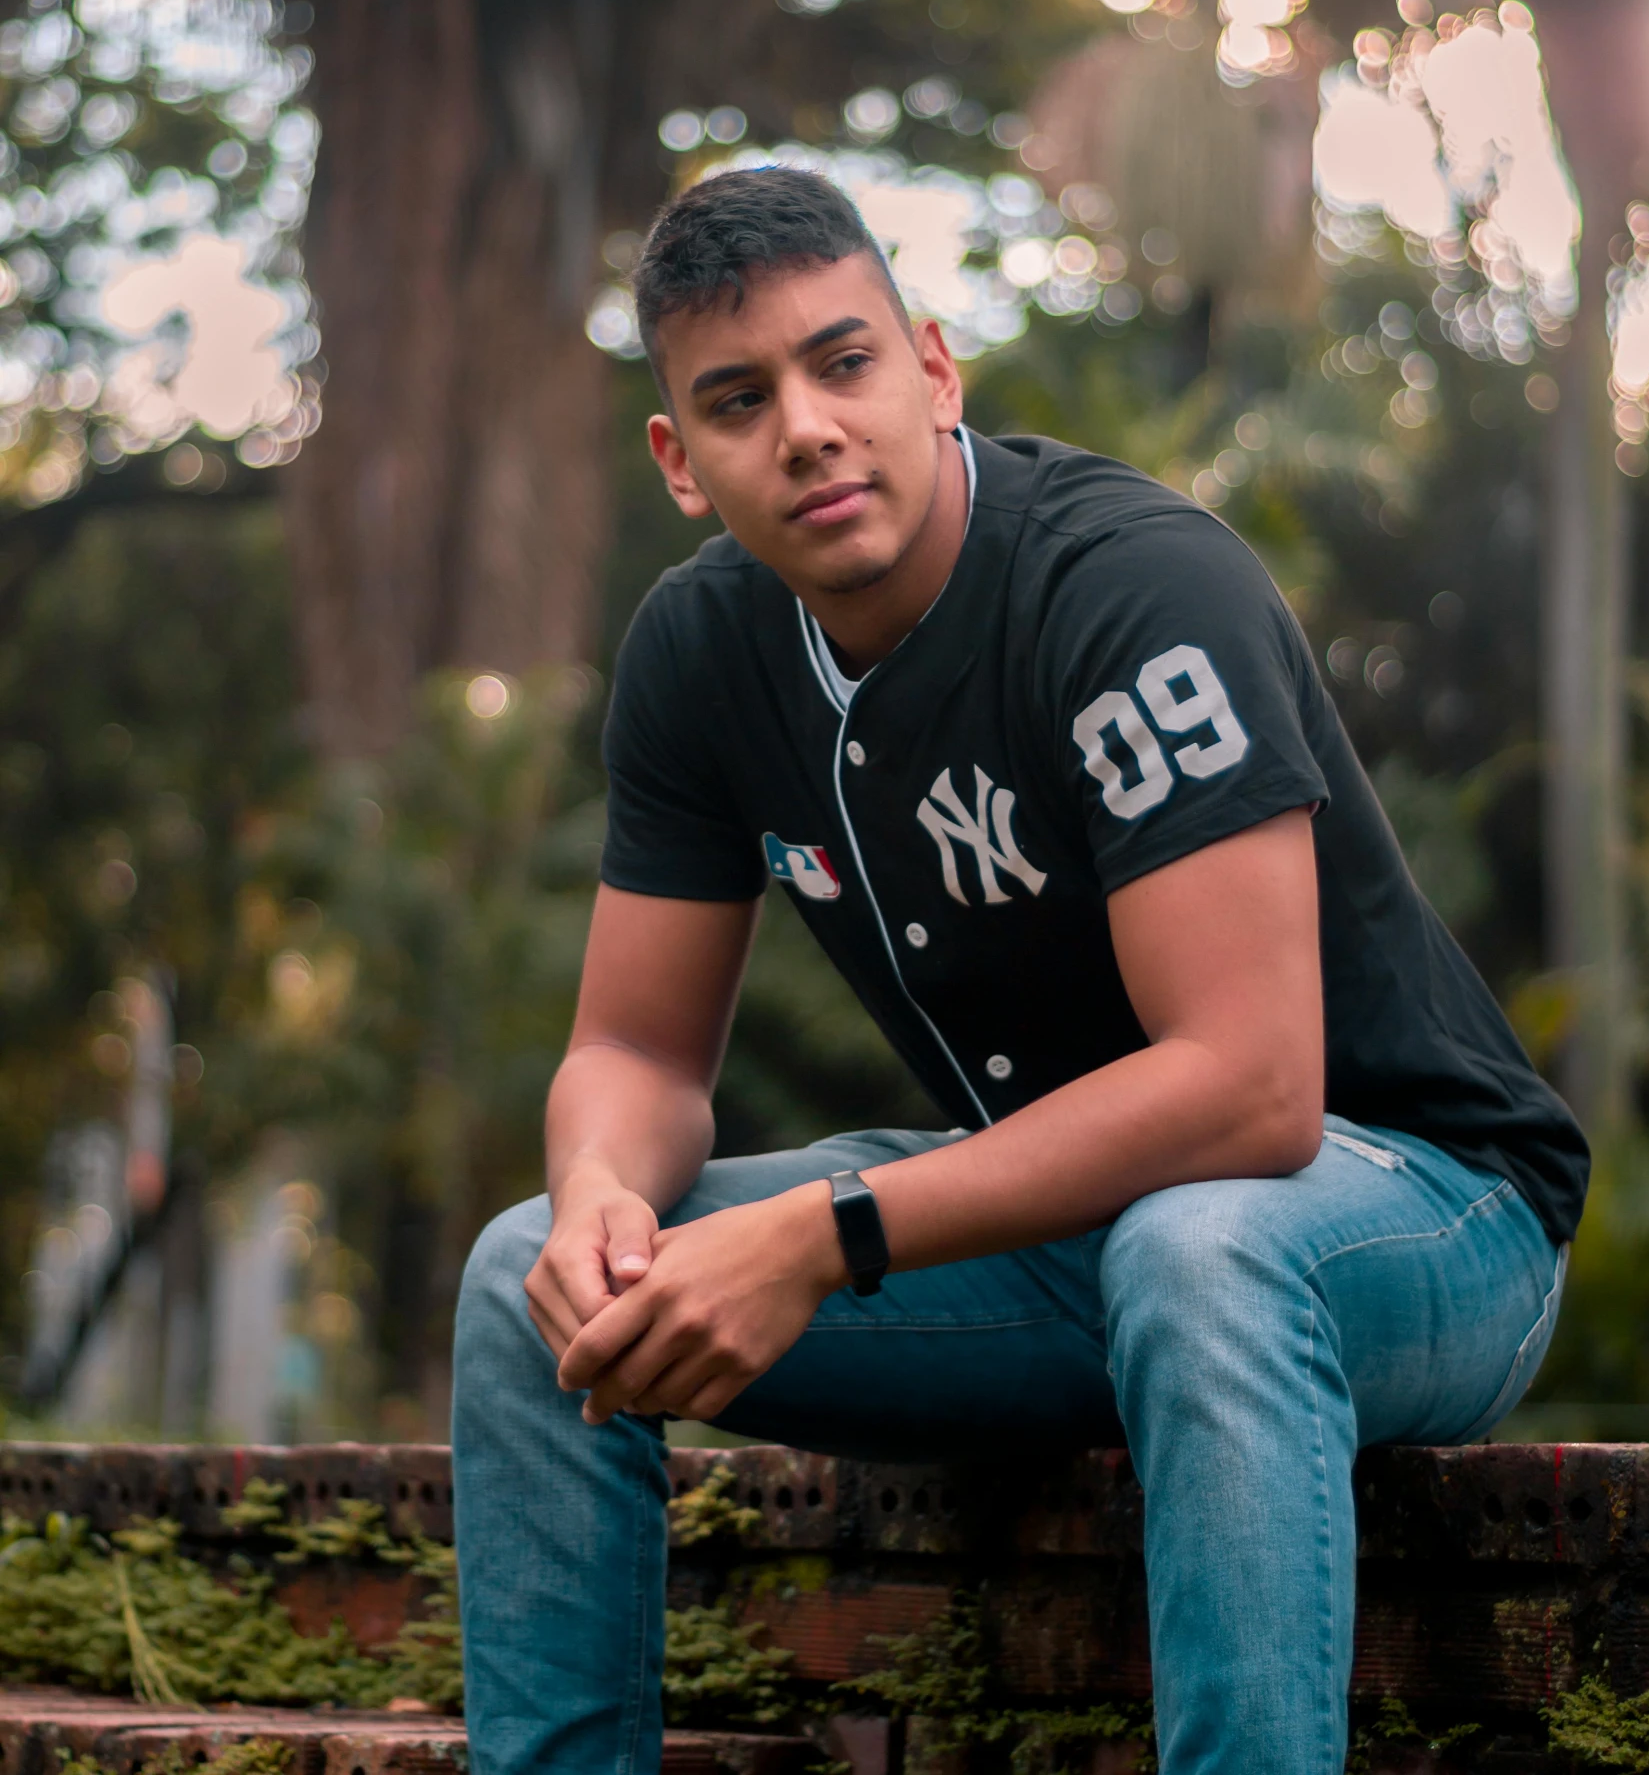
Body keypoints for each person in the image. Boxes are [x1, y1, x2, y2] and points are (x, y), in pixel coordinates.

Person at [453, 166, 1588, 1775]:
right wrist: (594, 1204)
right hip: (1062, 1227)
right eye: (736, 399)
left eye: (841, 364)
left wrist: (829, 1235)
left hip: (1414, 1206)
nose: (805, 428)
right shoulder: (699, 656)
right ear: (680, 463)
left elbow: (1252, 1094)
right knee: (523, 1283)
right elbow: (637, 1057)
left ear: (930, 367)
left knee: (1201, 1254)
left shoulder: (1127, 589)